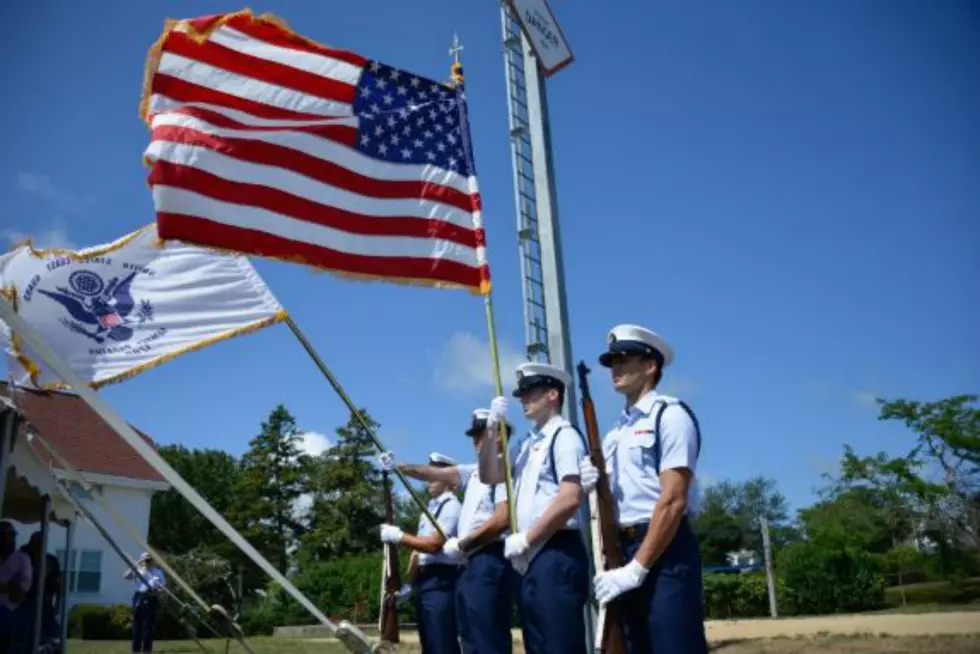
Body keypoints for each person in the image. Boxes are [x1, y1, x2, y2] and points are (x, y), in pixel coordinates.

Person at [591, 324, 708, 653]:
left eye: (624, 359)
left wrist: (638, 567)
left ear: (650, 365)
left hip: (664, 548)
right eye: (612, 361)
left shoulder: (670, 416)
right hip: (623, 549)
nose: (615, 367)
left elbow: (672, 500)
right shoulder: (615, 432)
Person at [383, 408, 515, 654]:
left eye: (482, 435)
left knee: (487, 637)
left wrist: (463, 543)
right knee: (471, 636)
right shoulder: (476, 471)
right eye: (474, 436)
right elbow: (434, 473)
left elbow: (501, 520)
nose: (477, 441)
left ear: (499, 436)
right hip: (470, 562)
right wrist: (400, 467)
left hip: (489, 557)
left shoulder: (501, 469)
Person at [492, 362, 593, 654]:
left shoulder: (565, 436)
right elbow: (490, 474)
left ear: (552, 395)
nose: (523, 398)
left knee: (559, 644)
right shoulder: (528, 444)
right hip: (532, 556)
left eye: (530, 392)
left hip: (554, 551)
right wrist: (490, 430)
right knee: (538, 645)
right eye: (521, 393)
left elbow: (569, 497)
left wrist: (526, 538)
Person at [378, 452, 462, 654]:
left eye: (436, 473)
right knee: (429, 644)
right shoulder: (429, 510)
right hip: (425, 582)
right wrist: (408, 585)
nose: (430, 478)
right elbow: (417, 553)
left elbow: (433, 545)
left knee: (441, 643)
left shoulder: (451, 506)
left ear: (449, 480)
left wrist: (398, 536)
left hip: (442, 580)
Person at [19, 531, 62, 640]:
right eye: (35, 542)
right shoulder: (22, 558)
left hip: (45, 603)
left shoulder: (51, 560)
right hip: (24, 602)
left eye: (40, 542)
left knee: (51, 635)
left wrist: (57, 605)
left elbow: (58, 585)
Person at [124, 551, 166, 653]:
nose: (148, 562)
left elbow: (162, 588)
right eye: (146, 560)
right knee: (137, 625)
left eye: (150, 559)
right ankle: (136, 650)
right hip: (139, 597)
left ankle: (147, 650)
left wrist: (158, 593)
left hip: (151, 597)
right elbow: (126, 576)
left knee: (148, 626)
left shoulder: (158, 572)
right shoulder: (138, 571)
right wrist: (137, 564)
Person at [0, 521, 32, 648]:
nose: (11, 539)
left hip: (10, 609)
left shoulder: (22, 559)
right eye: (7, 536)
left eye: (13, 536)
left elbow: (23, 588)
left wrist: (9, 587)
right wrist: (9, 586)